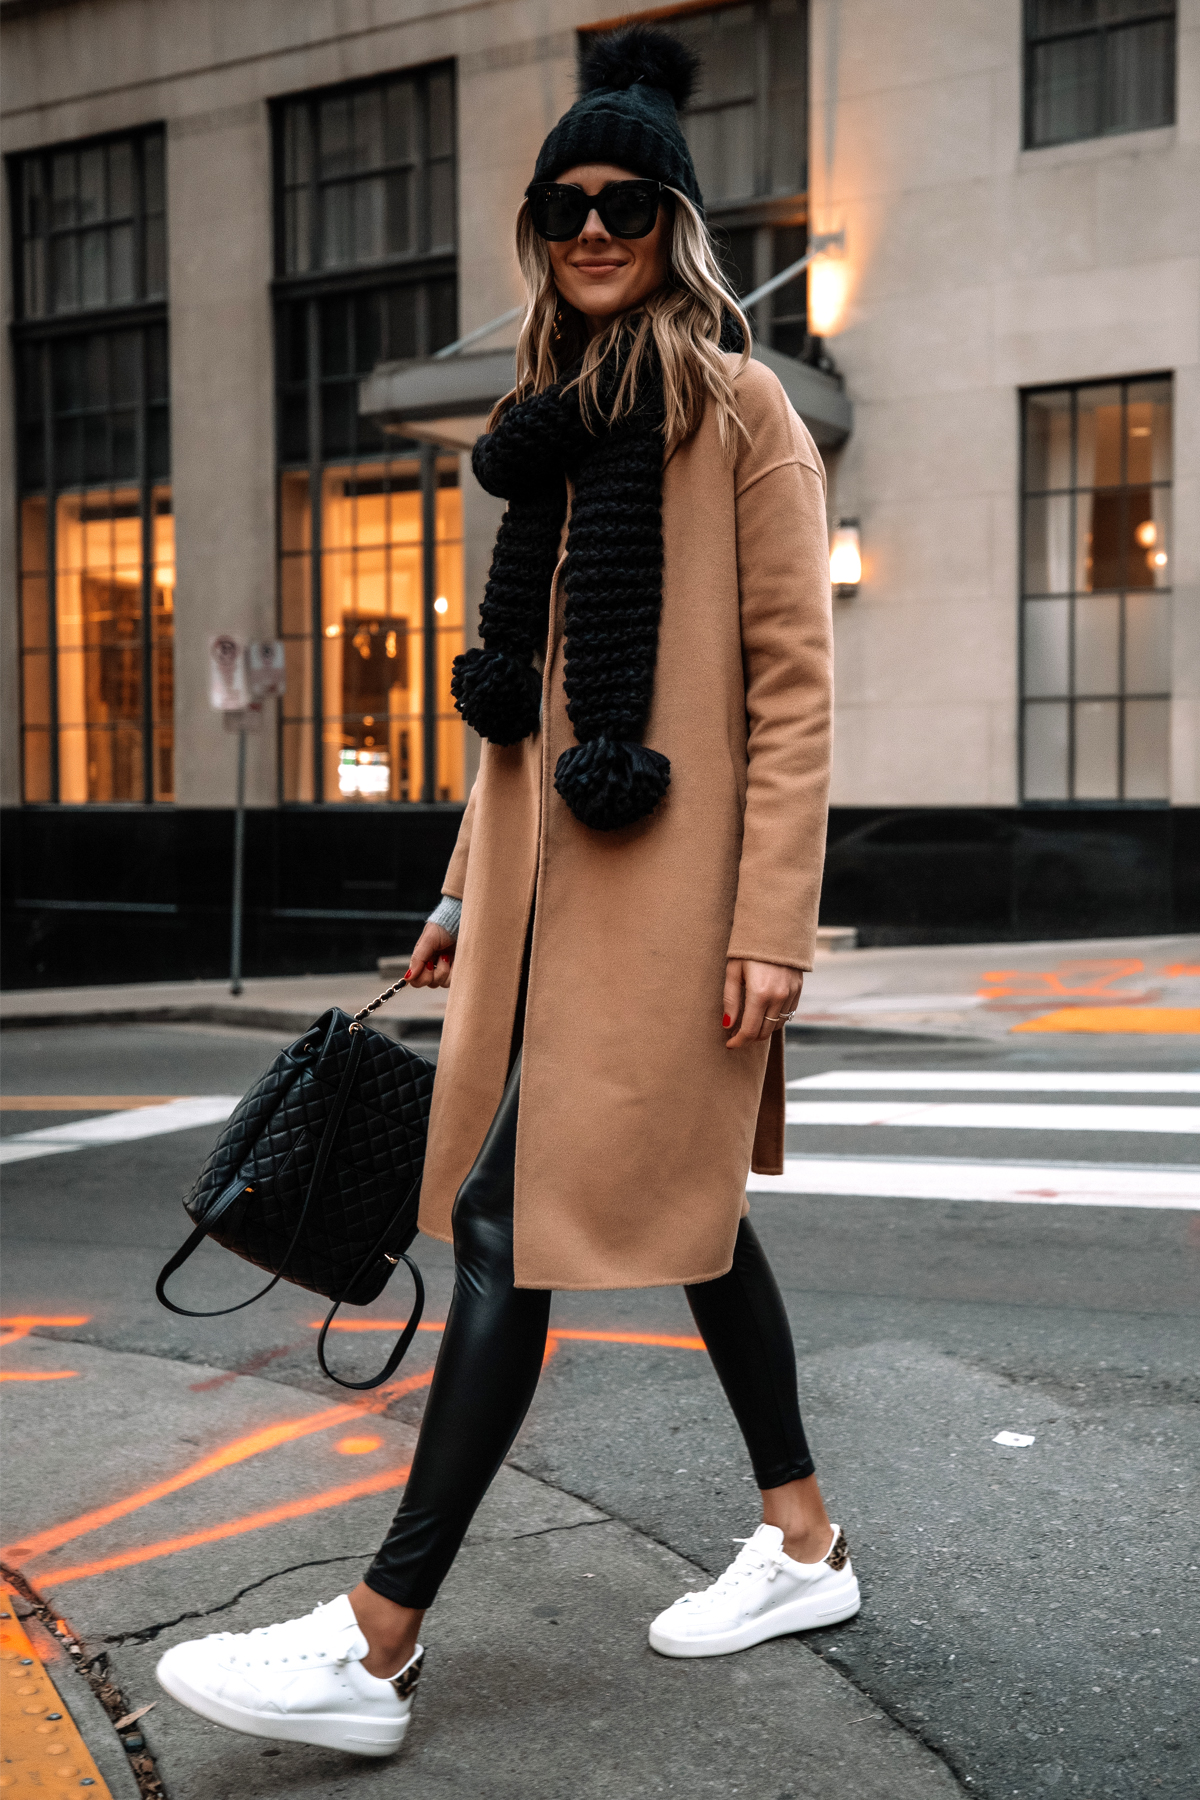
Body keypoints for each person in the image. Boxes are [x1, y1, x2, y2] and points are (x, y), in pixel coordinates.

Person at [155, 25, 856, 1762]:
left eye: (627, 202)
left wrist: (774, 921)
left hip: (680, 908)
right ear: (539, 227)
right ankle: (805, 1541)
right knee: (684, 1218)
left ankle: (375, 1649)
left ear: (675, 223)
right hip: (549, 904)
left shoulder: (738, 407)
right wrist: (469, 883)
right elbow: (526, 714)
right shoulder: (540, 436)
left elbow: (794, 687)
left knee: (500, 1225)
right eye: (566, 205)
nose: (595, 228)